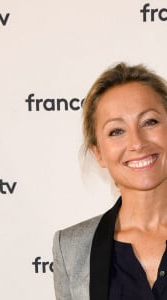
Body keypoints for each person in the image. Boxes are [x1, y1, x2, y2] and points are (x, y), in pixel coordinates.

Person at [53, 62, 167, 300]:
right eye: (116, 131)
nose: (137, 143)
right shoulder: (71, 249)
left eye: (150, 122)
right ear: (98, 153)